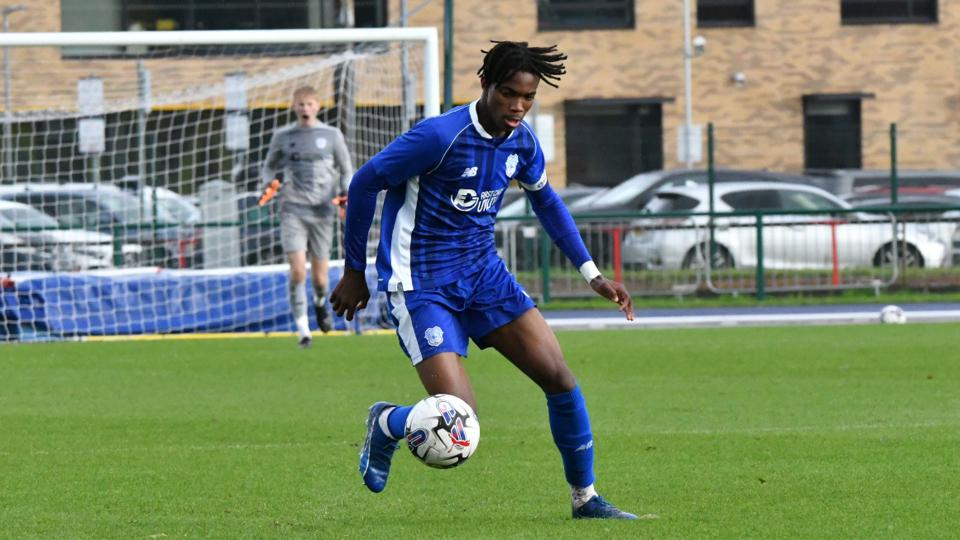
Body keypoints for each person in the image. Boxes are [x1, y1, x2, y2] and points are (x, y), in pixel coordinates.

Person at [330, 41, 637, 519]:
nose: (517, 106)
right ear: (485, 86)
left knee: (559, 377)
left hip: (484, 276)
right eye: (508, 94)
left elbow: (547, 203)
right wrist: (354, 270)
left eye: (528, 97)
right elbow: (365, 182)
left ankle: (587, 499)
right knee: (460, 423)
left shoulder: (522, 141)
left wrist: (592, 273)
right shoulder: (438, 137)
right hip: (423, 284)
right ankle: (387, 421)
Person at [262, 85, 353, 348]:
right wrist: (270, 184)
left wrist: (346, 191)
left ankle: (320, 303)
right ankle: (303, 330)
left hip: (323, 210)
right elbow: (268, 167)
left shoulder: (332, 135)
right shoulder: (283, 136)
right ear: (293, 107)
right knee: (298, 272)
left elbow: (347, 169)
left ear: (318, 106)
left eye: (309, 104)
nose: (305, 108)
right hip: (292, 208)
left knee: (320, 279)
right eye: (300, 104)